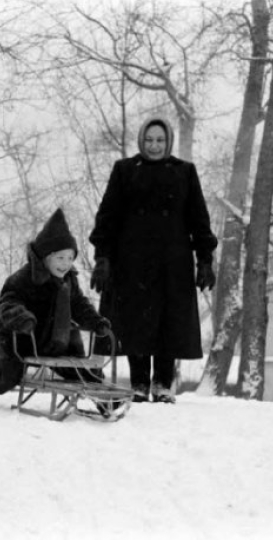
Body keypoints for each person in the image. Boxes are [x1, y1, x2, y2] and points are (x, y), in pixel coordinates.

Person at [89, 117, 218, 404]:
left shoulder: (184, 172)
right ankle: (138, 385)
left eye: (160, 140)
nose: (154, 145)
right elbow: (107, 218)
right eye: (149, 140)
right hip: (131, 263)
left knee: (168, 322)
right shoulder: (125, 171)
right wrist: (103, 259)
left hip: (172, 264)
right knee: (135, 321)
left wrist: (205, 259)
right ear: (141, 141)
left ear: (168, 142)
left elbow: (199, 219)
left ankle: (161, 384)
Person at [0, 208, 112, 408]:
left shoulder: (69, 280)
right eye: (60, 258)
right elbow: (8, 303)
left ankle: (103, 398)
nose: (66, 264)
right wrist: (21, 317)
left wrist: (96, 323)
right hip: (22, 336)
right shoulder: (23, 279)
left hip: (58, 338)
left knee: (83, 369)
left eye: (70, 258)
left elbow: (80, 305)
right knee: (8, 376)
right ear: (46, 257)